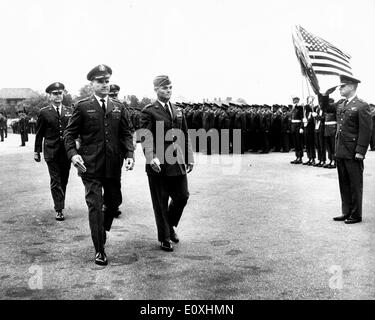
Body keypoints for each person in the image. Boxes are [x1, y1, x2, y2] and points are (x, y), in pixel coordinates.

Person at [64, 64, 134, 265]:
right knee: (95, 206)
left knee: (114, 202)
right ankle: (99, 249)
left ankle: (101, 227)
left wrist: (129, 154)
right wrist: (73, 154)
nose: (105, 85)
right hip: (90, 166)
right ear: (92, 84)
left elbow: (126, 133)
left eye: (107, 81)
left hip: (113, 164)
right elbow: (69, 134)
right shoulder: (82, 106)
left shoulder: (119, 107)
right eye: (100, 81)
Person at [139, 75, 194, 252]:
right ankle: (164, 238)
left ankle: (169, 226)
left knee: (182, 196)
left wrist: (189, 157)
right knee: (161, 201)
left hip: (176, 161)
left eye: (170, 87)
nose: (168, 90)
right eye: (164, 88)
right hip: (158, 163)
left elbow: (184, 135)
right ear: (156, 90)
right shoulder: (149, 111)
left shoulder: (178, 110)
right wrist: (151, 156)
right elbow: (145, 137)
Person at [320, 75, 372, 224]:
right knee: (344, 183)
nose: (340, 89)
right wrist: (324, 94)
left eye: (342, 86)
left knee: (355, 184)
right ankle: (346, 211)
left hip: (353, 151)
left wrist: (360, 151)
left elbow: (366, 131)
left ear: (351, 87)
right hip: (341, 150)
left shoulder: (362, 106)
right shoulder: (341, 104)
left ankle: (356, 214)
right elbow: (325, 108)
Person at [34, 82, 72, 221]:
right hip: (51, 151)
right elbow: (39, 133)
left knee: (64, 180)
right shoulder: (44, 112)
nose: (58, 96)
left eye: (60, 93)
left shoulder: (69, 111)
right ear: (49, 96)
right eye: (55, 94)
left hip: (66, 152)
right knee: (55, 180)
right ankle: (59, 209)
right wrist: (36, 151)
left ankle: (60, 202)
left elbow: (73, 131)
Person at [290, 96, 304, 164]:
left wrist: (301, 127)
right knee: (295, 143)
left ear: (298, 100)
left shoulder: (300, 108)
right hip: (293, 126)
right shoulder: (293, 108)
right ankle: (297, 157)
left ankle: (300, 157)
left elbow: (302, 118)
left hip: (298, 126)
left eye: (295, 100)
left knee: (299, 142)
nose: (294, 101)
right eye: (293, 100)